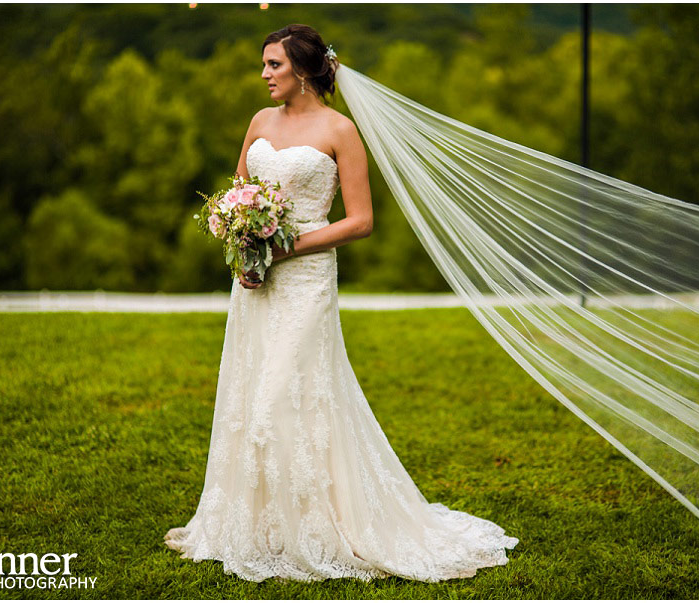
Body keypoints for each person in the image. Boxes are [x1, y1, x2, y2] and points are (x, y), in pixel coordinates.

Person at [163, 23, 519, 583]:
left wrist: (285, 247)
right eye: (264, 65)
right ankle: (257, 526)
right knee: (250, 391)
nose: (263, 75)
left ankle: (321, 527)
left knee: (286, 392)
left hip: (304, 277)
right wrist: (243, 246)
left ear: (303, 70)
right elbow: (236, 195)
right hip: (256, 280)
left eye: (273, 65)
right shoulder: (259, 123)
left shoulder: (340, 130)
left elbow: (361, 221)